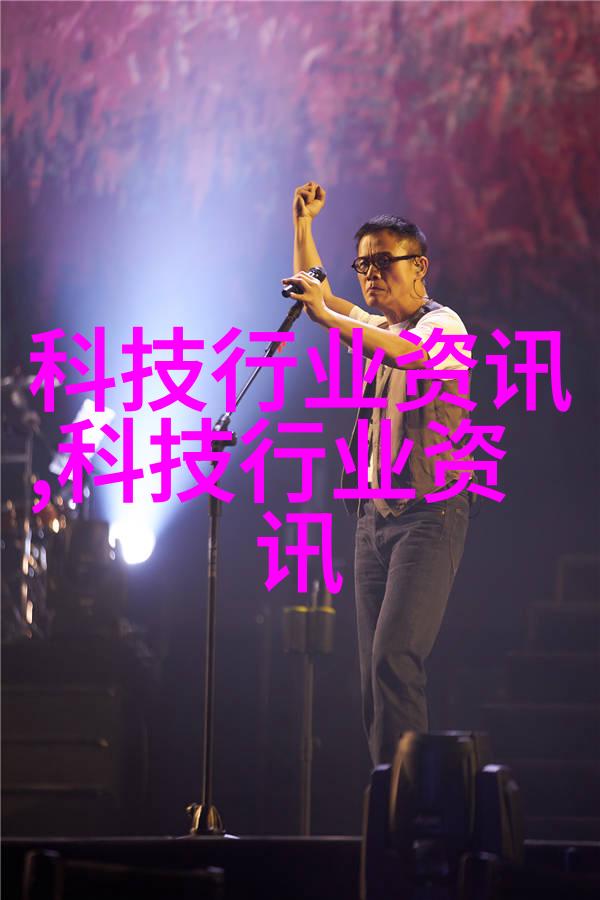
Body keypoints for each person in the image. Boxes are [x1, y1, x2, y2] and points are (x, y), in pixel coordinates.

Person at [283, 182, 472, 765]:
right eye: (362, 264)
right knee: (372, 672)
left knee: (395, 657)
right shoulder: (377, 326)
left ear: (419, 266)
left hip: (428, 516)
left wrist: (329, 315)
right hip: (373, 521)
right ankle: (389, 786)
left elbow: (408, 356)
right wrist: (303, 227)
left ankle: (409, 803)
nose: (370, 274)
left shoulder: (444, 326)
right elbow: (321, 296)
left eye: (382, 261)